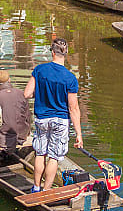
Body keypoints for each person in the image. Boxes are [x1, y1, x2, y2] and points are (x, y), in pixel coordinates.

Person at [24, 37, 82, 193]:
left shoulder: (40, 70)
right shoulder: (70, 78)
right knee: (54, 157)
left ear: (52, 52)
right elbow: (74, 108)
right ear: (66, 53)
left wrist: (41, 92)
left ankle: (36, 187)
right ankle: (46, 190)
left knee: (40, 153)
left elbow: (27, 93)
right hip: (61, 121)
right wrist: (78, 134)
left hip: (42, 118)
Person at [0, 70, 31, 151]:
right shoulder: (21, 93)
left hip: (4, 138)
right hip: (22, 135)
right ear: (9, 80)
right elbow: (28, 115)